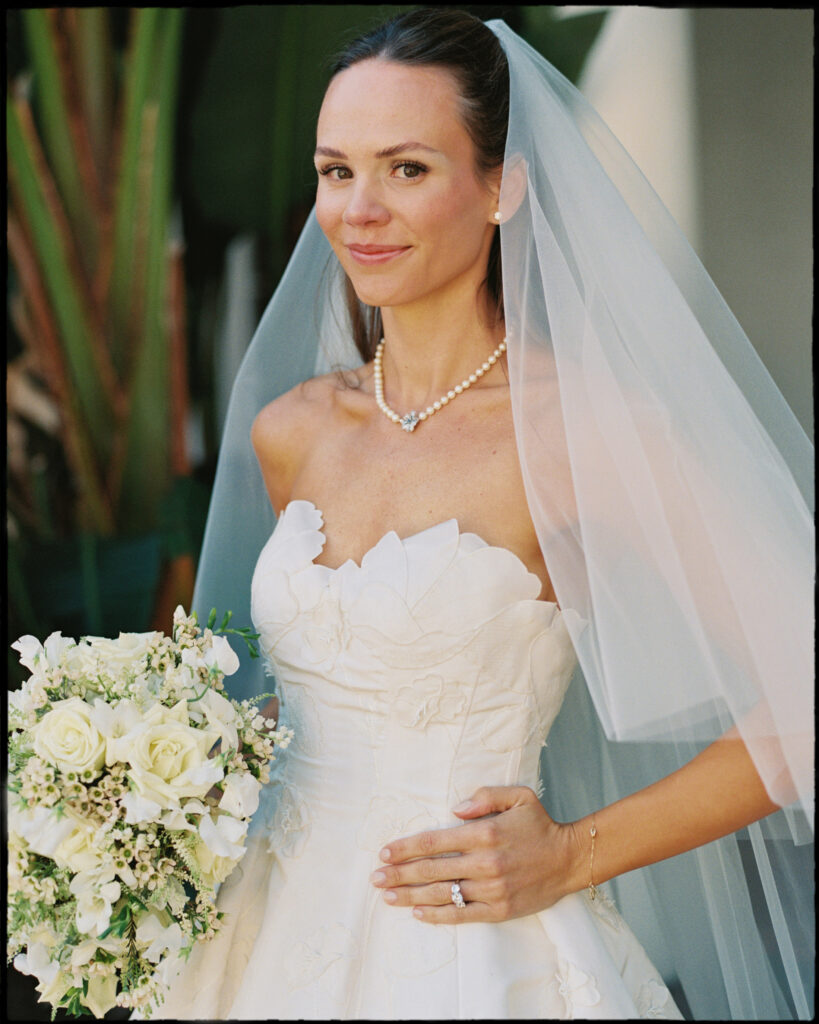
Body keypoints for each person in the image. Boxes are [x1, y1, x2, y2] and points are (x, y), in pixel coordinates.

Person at [156, 9, 813, 1021]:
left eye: (407, 168)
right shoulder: (291, 431)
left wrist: (572, 853)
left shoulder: (586, 429)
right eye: (337, 171)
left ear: (502, 186)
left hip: (475, 959)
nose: (359, 209)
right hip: (263, 938)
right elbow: (315, 690)